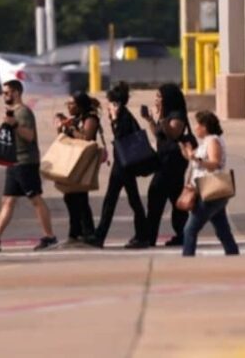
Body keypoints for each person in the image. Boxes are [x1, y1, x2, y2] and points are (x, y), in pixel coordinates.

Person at [0, 80, 59, 252]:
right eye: (3, 93)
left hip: (25, 162)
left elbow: (29, 136)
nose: (4, 96)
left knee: (35, 198)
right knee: (7, 200)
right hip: (13, 162)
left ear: (17, 93)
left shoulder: (24, 112)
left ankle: (50, 237)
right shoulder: (13, 112)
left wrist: (13, 123)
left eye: (7, 93)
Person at [93, 82, 149, 248]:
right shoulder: (123, 115)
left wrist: (115, 119)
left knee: (131, 200)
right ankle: (100, 235)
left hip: (125, 165)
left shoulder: (123, 117)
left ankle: (142, 236)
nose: (108, 106)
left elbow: (121, 138)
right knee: (112, 200)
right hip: (121, 164)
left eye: (110, 103)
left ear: (116, 103)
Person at [180, 111, 239, 257]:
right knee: (223, 230)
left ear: (205, 126)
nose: (195, 127)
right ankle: (233, 256)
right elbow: (196, 160)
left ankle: (187, 259)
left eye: (198, 124)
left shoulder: (213, 141)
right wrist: (187, 151)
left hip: (209, 192)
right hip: (211, 192)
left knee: (190, 230)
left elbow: (214, 163)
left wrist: (196, 159)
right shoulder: (207, 141)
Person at [143, 83, 192, 247]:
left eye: (159, 97)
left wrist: (162, 118)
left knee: (156, 195)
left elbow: (173, 133)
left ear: (168, 99)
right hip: (165, 163)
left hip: (173, 165)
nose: (156, 100)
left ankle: (150, 236)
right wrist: (150, 119)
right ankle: (182, 234)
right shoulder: (167, 115)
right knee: (175, 201)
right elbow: (159, 134)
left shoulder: (177, 115)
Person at [54, 91, 100, 246]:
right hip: (73, 162)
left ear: (80, 105)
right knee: (70, 197)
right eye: (67, 103)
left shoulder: (90, 118)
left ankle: (88, 233)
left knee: (80, 198)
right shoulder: (75, 119)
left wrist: (71, 128)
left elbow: (86, 137)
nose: (69, 106)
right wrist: (61, 127)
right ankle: (75, 233)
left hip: (83, 163)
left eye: (72, 104)